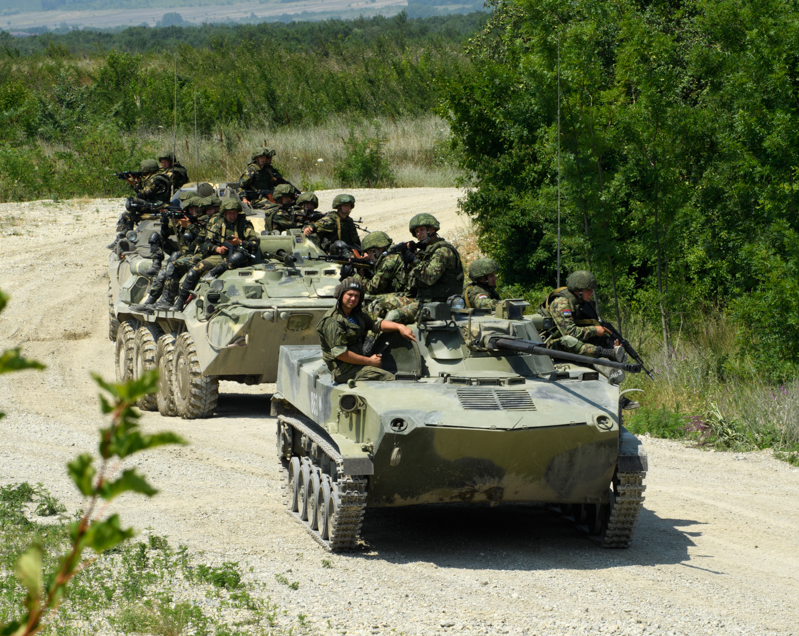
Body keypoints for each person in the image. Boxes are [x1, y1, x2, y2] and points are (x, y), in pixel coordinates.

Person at [316, 277, 416, 384]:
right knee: (388, 377)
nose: (353, 299)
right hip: (343, 370)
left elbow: (376, 323)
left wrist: (400, 327)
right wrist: (369, 361)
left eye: (356, 296)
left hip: (357, 363)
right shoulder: (333, 321)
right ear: (341, 295)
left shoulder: (356, 313)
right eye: (349, 295)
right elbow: (341, 354)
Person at [171, 198, 259, 312]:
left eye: (234, 213)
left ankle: (213, 273)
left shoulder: (244, 224)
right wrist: (216, 248)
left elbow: (255, 243)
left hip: (240, 256)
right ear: (225, 213)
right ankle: (180, 302)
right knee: (195, 270)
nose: (232, 216)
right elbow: (206, 243)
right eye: (229, 213)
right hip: (222, 255)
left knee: (238, 256)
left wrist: (241, 243)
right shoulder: (218, 224)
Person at [385, 213, 464, 324]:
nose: (419, 234)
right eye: (417, 231)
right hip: (422, 299)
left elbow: (430, 277)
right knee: (377, 304)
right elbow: (404, 282)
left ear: (432, 229)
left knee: (393, 316)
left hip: (439, 303)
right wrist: (407, 263)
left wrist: (414, 260)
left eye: (422, 230)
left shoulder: (443, 251)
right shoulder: (425, 251)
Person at [132, 196, 206, 311]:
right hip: (185, 254)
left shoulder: (203, 222)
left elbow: (202, 240)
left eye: (194, 209)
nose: (192, 212)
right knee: (163, 272)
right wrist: (166, 221)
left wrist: (189, 226)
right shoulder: (185, 220)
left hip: (198, 255)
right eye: (190, 209)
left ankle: (167, 301)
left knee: (171, 267)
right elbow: (165, 233)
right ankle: (150, 300)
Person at [108, 159, 171, 248]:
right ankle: (122, 237)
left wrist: (136, 183)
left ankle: (126, 235)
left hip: (158, 206)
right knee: (127, 213)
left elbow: (143, 194)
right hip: (154, 204)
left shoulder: (156, 179)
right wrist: (134, 181)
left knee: (132, 202)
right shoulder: (155, 177)